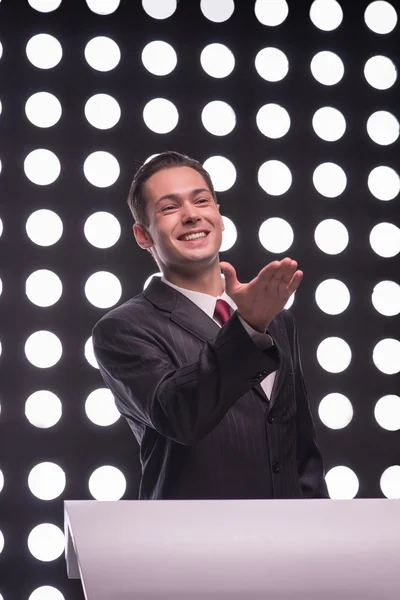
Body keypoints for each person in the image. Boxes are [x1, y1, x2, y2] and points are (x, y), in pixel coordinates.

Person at [92, 151, 328, 500]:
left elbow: (299, 444)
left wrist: (320, 529)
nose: (191, 215)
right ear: (143, 236)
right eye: (169, 208)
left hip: (290, 541)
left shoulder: (277, 319)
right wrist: (247, 329)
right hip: (191, 545)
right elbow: (180, 415)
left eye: (201, 201)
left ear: (219, 217)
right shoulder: (123, 329)